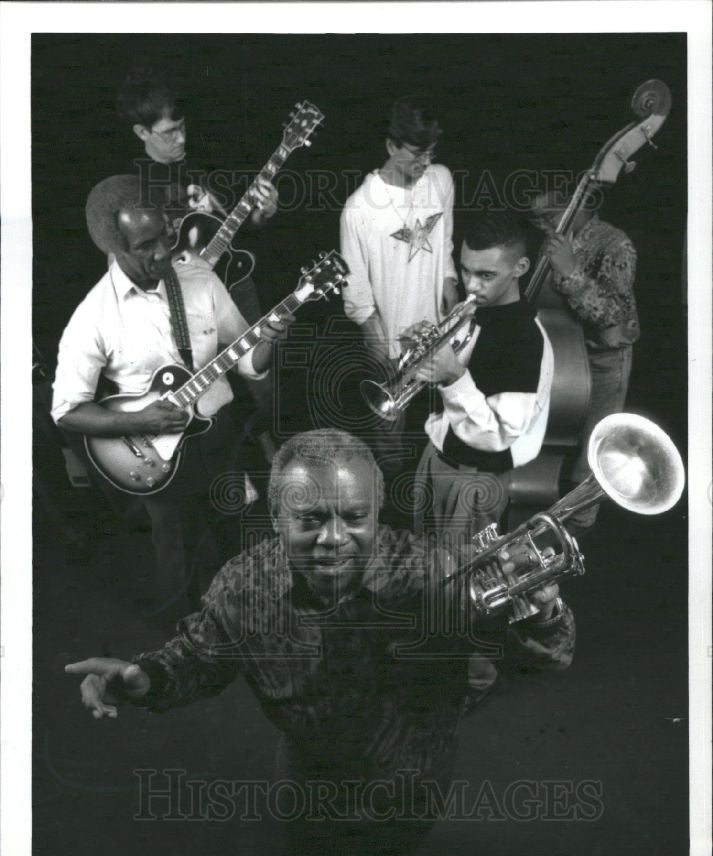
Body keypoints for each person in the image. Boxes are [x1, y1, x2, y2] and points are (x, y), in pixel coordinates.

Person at [66, 429, 575, 856]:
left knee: (396, 836)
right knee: (304, 827)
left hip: (413, 764)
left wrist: (543, 615)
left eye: (354, 517)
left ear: (377, 513)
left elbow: (547, 660)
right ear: (275, 517)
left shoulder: (439, 572)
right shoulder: (244, 582)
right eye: (310, 519)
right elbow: (199, 656)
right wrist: (147, 678)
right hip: (309, 758)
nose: (333, 539)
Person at [51, 174, 287, 626]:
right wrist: (136, 419)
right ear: (114, 247)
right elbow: (67, 410)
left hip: (221, 439)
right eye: (146, 246)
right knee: (175, 557)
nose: (163, 252)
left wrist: (270, 338)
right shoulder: (94, 317)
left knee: (241, 536)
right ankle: (182, 646)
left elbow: (249, 361)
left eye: (165, 235)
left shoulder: (199, 280)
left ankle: (247, 628)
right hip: (154, 456)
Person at [410, 210, 554, 709]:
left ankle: (474, 679)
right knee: (432, 571)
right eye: (466, 269)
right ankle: (436, 656)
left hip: (477, 480)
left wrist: (451, 377)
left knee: (472, 584)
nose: (471, 284)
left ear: (520, 268)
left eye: (486, 275)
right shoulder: (477, 313)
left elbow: (498, 435)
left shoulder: (524, 338)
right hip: (441, 462)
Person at [340, 96, 458, 481]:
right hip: (392, 345)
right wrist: (381, 350)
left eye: (431, 152)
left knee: (446, 433)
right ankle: (392, 510)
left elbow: (446, 244)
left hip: (441, 336)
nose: (425, 163)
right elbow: (356, 294)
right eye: (416, 153)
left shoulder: (440, 180)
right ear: (391, 146)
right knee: (391, 446)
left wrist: (448, 280)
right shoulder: (358, 208)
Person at [116, 67, 279, 324]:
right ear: (142, 132)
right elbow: (127, 269)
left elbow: (236, 228)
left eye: (182, 127)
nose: (181, 138)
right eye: (170, 132)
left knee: (258, 361)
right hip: (184, 306)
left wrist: (263, 213)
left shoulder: (204, 160)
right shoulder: (131, 188)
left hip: (235, 285)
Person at [528, 187, 640, 530]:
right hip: (562, 354)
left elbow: (611, 314)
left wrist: (571, 269)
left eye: (550, 216)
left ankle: (576, 532)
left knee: (593, 452)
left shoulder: (615, 243)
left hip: (602, 359)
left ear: (577, 204)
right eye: (537, 218)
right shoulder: (553, 239)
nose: (544, 225)